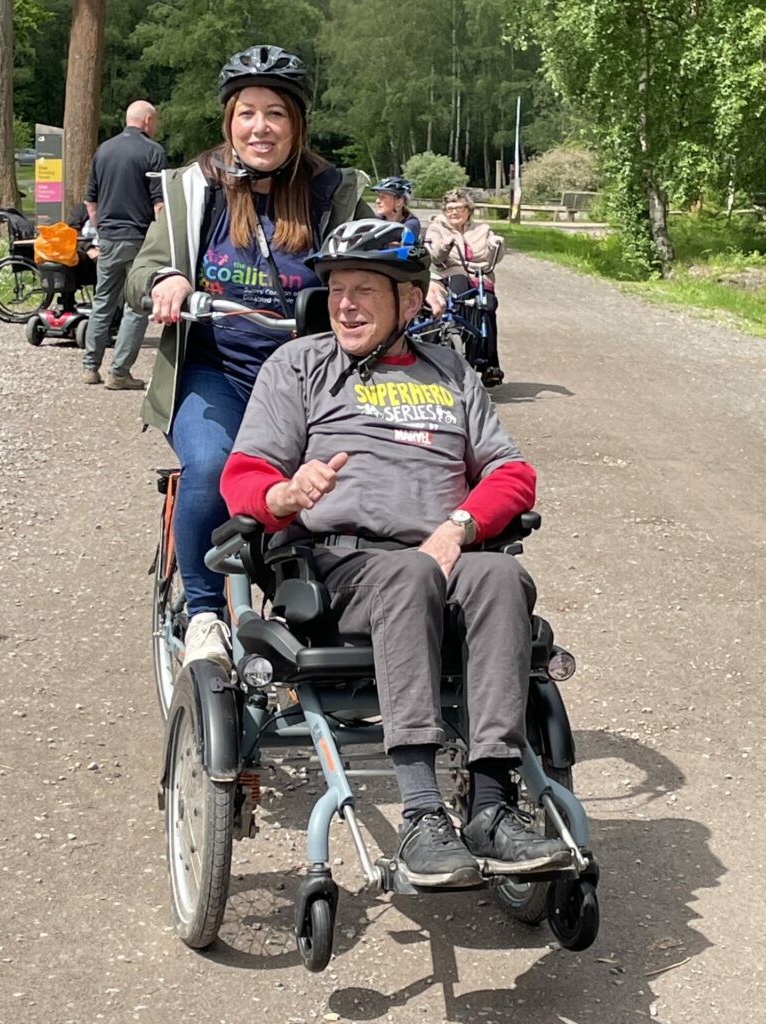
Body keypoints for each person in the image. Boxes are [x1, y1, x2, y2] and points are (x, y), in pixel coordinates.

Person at [219, 218, 570, 887]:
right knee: (409, 573)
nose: (344, 304)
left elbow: (511, 474)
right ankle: (420, 815)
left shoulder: (451, 373)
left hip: (444, 561)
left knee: (500, 576)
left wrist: (460, 526)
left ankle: (492, 809)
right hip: (338, 570)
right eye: (336, 290)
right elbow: (243, 476)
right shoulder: (299, 366)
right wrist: (287, 493)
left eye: (364, 291)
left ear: (411, 302)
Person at [125, 44, 392, 668]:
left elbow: (379, 255)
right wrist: (165, 280)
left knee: (337, 484)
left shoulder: (331, 192)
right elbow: (142, 268)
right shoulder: (198, 187)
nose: (260, 127)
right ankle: (204, 614)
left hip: (305, 378)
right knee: (214, 466)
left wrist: (415, 283)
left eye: (276, 113)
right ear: (230, 120)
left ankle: (322, 607)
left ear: (296, 123)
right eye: (247, 113)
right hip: (215, 369)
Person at [82, 100, 167, 389]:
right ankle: (119, 372)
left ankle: (90, 367)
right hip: (139, 240)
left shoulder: (103, 150)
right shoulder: (153, 152)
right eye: (154, 121)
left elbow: (90, 200)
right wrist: (164, 238)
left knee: (103, 301)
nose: (155, 127)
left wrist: (101, 229)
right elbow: (159, 204)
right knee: (136, 306)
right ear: (146, 121)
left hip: (107, 238)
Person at [424, 188, 506, 388]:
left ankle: (489, 365)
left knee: (488, 305)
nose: (453, 212)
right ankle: (455, 338)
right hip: (449, 273)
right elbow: (434, 257)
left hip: (479, 275)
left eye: (458, 207)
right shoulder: (436, 228)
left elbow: (492, 258)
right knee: (459, 288)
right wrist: (445, 245)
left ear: (469, 210)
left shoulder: (482, 229)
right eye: (449, 208)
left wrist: (496, 245)